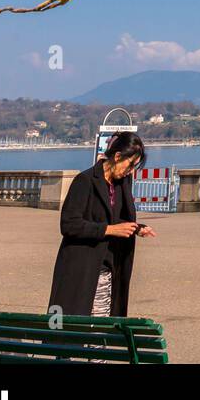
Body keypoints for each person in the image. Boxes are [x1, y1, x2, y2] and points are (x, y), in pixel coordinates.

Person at [49, 133, 156, 319]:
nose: (130, 171)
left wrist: (136, 227)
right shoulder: (85, 180)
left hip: (107, 267)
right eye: (130, 164)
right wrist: (109, 230)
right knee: (77, 326)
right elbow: (69, 224)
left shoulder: (121, 184)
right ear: (117, 157)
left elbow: (114, 219)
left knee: (101, 326)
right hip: (81, 267)